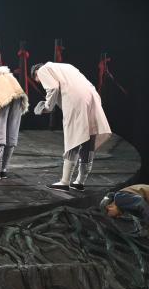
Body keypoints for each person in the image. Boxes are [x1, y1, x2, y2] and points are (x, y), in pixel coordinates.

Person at [31, 62, 111, 192]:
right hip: (92, 98)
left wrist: (47, 107)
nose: (41, 82)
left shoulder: (43, 70)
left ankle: (64, 182)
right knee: (89, 139)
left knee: (73, 139)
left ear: (36, 73)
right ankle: (80, 182)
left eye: (38, 81)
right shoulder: (68, 67)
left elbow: (53, 88)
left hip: (76, 101)